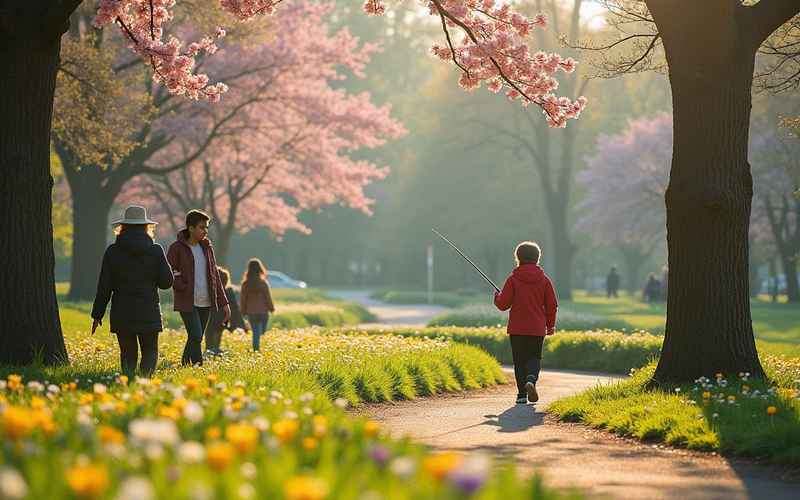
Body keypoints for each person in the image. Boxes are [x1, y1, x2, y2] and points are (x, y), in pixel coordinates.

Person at [91, 205, 173, 377]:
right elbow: (166, 283)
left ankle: (128, 382)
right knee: (150, 350)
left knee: (127, 353)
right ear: (146, 227)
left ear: (123, 227)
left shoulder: (112, 252)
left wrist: (97, 314)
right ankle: (145, 383)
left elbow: (104, 286)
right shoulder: (155, 250)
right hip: (148, 309)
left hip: (122, 311)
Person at [493, 241, 558, 405]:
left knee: (519, 360)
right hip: (537, 328)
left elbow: (503, 305)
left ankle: (521, 394)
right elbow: (552, 305)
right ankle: (531, 379)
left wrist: (497, 296)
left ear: (518, 258)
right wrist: (550, 325)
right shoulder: (544, 281)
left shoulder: (513, 280)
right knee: (534, 357)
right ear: (537, 258)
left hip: (517, 328)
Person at [167, 210, 230, 366]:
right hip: (187, 301)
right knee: (195, 335)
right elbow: (168, 271)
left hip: (206, 302)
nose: (205, 231)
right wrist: (182, 285)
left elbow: (214, 276)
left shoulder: (207, 247)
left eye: (206, 228)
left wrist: (224, 303)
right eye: (202, 227)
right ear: (191, 228)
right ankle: (198, 367)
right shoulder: (177, 248)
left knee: (196, 337)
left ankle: (185, 364)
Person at [204, 266, 244, 355]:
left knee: (209, 338)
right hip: (222, 319)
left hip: (209, 319)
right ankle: (214, 352)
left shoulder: (209, 291)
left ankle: (209, 353)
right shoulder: (228, 292)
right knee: (216, 340)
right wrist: (236, 324)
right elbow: (234, 309)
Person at [240, 258, 275, 351]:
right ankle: (256, 348)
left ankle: (256, 348)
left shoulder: (245, 284)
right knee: (261, 332)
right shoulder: (263, 283)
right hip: (263, 312)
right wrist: (271, 308)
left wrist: (243, 311)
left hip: (251, 312)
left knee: (256, 331)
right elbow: (268, 297)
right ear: (260, 269)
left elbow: (243, 299)